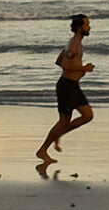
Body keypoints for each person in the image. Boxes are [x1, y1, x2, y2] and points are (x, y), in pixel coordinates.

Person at [37, 13, 94, 172]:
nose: (89, 27)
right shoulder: (74, 44)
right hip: (67, 86)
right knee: (64, 121)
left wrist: (78, 71)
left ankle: (58, 135)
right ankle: (42, 150)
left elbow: (59, 60)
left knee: (87, 115)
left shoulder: (74, 43)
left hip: (72, 85)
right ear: (79, 27)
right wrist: (84, 68)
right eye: (86, 24)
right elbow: (65, 66)